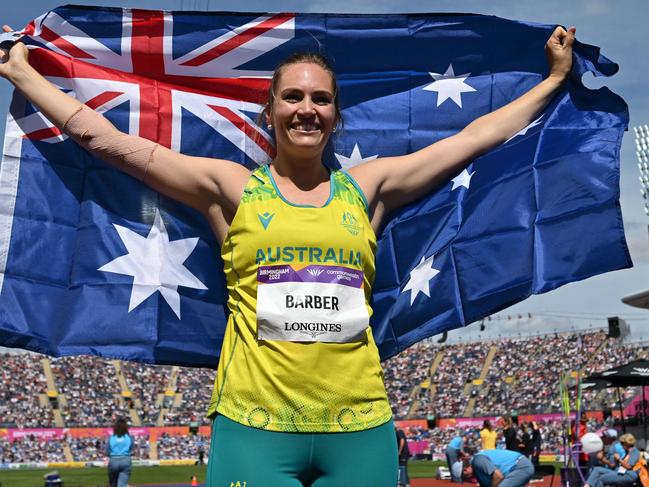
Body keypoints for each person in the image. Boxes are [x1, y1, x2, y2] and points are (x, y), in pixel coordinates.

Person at [0, 20, 576, 486]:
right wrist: (24, 75)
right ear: (269, 111)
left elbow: (471, 139)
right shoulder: (231, 188)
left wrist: (551, 81)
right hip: (255, 428)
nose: (307, 108)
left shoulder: (368, 187)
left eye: (321, 99)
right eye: (293, 97)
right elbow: (117, 146)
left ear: (336, 115)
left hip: (359, 426)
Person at [455, 448, 535, 487]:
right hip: (514, 471)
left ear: (466, 469)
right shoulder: (478, 474)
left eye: (464, 477)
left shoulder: (477, 460)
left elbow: (498, 476)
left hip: (521, 466)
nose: (466, 480)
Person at [105, 418, 133, 487]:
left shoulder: (111, 438)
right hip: (125, 460)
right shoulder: (129, 437)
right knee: (122, 484)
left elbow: (107, 450)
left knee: (113, 483)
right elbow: (131, 448)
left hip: (114, 460)